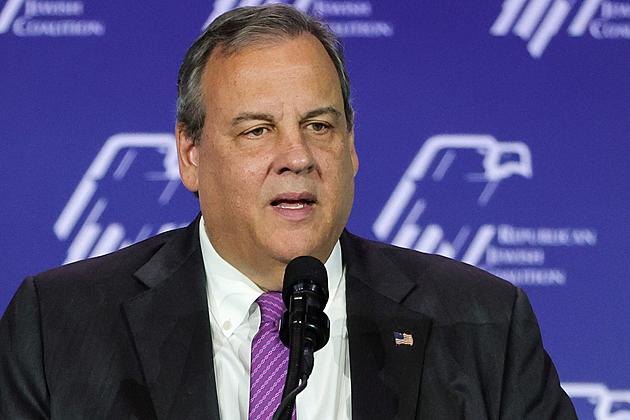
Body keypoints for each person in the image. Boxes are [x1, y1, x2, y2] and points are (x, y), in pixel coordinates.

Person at [0, 4, 576, 419]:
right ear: (191, 154)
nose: (297, 156)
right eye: (258, 130)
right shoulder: (58, 328)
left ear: (351, 149)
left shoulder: (484, 323)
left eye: (319, 126)